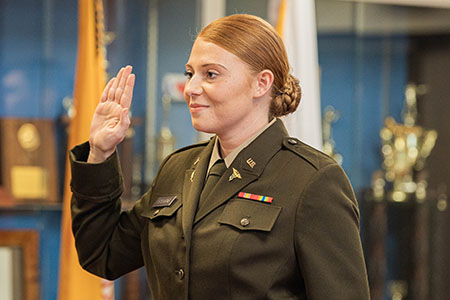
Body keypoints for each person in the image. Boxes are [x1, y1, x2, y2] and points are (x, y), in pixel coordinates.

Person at [70, 14, 370, 300]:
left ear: (261, 83)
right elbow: (103, 254)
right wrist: (100, 152)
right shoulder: (178, 167)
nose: (191, 88)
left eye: (210, 74)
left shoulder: (312, 180)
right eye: (190, 74)